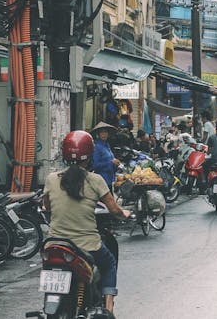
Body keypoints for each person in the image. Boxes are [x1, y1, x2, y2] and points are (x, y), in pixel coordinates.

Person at [44, 131, 131, 314]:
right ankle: (108, 309)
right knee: (109, 263)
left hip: (55, 245)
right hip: (86, 245)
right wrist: (125, 214)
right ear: (89, 154)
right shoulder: (95, 180)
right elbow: (114, 209)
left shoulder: (51, 179)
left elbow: (47, 206)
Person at [90, 122, 121, 188]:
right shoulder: (97, 147)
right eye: (102, 132)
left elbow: (111, 159)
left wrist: (115, 163)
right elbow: (95, 165)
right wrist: (110, 162)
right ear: (98, 134)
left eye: (105, 132)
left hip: (110, 180)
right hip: (102, 181)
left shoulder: (107, 145)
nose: (104, 134)